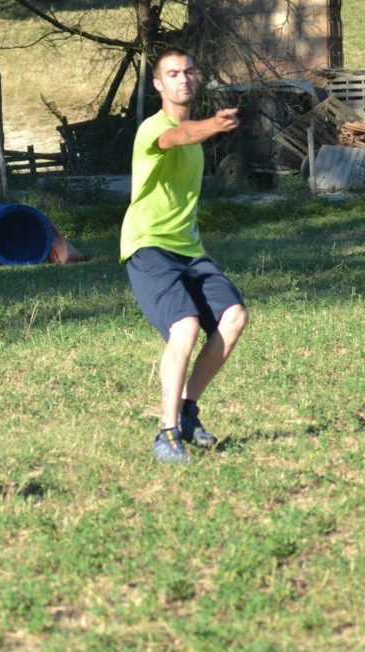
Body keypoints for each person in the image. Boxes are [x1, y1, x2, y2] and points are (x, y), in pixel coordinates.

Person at [120, 47, 248, 464]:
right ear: (158, 84)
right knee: (186, 326)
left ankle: (188, 412)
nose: (183, 79)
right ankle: (166, 433)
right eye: (173, 73)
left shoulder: (196, 138)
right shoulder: (152, 130)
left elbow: (191, 136)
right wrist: (213, 124)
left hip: (188, 249)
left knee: (234, 318)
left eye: (189, 71)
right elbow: (179, 135)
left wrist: (207, 128)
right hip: (148, 246)